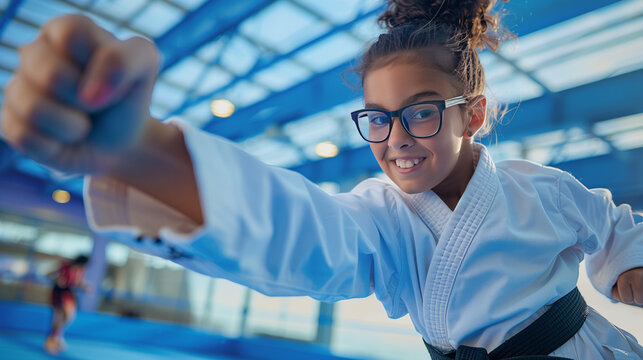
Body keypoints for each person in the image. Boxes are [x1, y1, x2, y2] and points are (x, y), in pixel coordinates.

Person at [1, 0, 641, 358]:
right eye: (378, 120)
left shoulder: (543, 190)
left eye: (419, 112)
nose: (396, 140)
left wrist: (627, 269)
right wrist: (140, 153)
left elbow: (610, 225)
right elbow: (303, 232)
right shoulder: (384, 218)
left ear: (471, 114)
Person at [44, 255, 91, 354]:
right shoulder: (66, 267)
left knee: (67, 317)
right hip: (59, 293)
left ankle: (55, 338)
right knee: (61, 317)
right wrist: (57, 279)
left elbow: (78, 282)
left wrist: (85, 286)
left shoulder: (80, 271)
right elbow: (49, 275)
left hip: (68, 293)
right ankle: (52, 340)